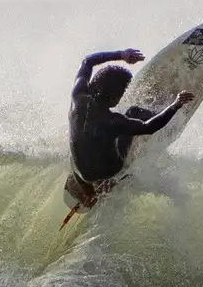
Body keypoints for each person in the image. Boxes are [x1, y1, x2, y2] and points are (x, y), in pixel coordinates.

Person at [64, 47, 195, 215]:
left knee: (83, 144)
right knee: (134, 112)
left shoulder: (77, 96)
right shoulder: (114, 121)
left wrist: (120, 55)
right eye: (120, 95)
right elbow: (149, 127)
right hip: (110, 169)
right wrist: (175, 105)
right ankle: (113, 180)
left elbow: (88, 60)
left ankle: (89, 191)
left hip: (81, 173)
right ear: (112, 98)